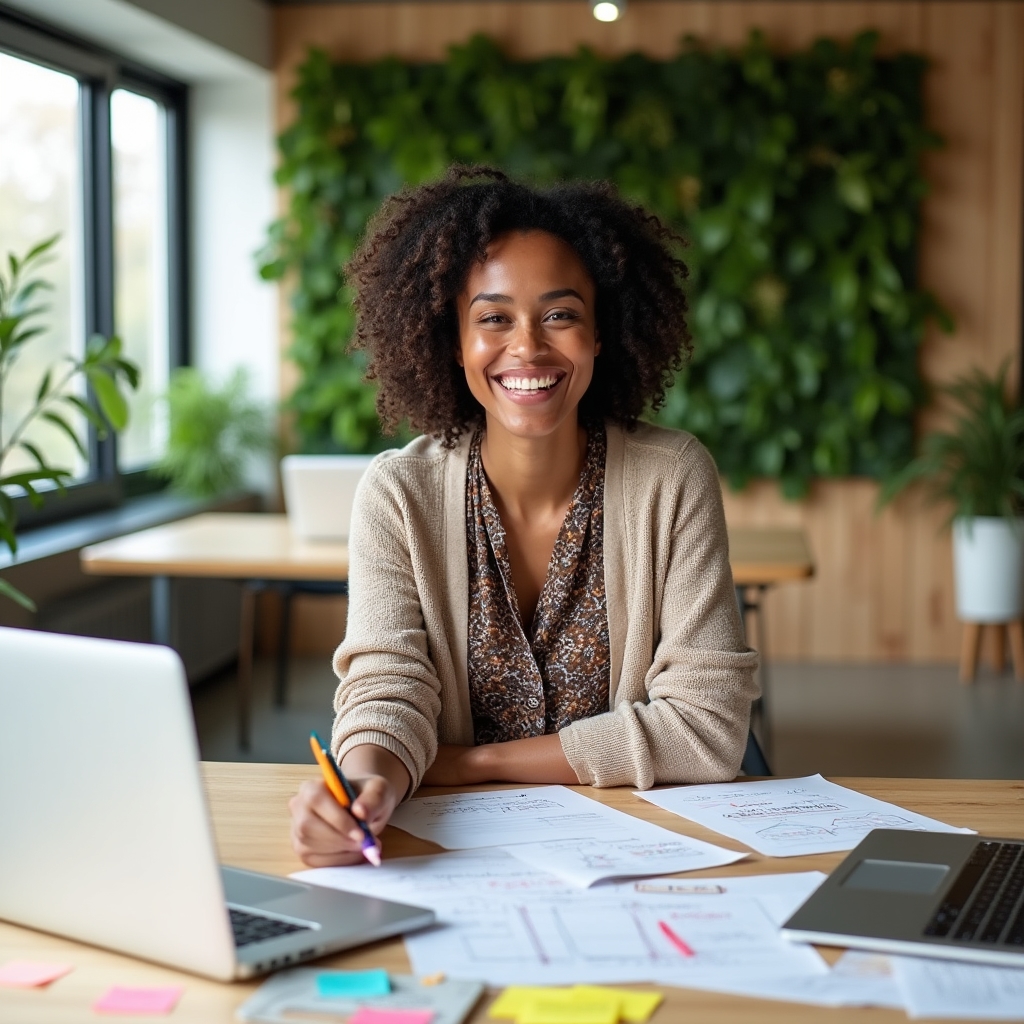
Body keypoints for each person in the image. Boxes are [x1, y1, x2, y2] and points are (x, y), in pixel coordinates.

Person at [290, 166, 758, 867]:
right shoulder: (397, 493)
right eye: (494, 318)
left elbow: (708, 730)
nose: (529, 347)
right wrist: (365, 785)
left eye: (561, 315)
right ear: (454, 340)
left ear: (601, 334)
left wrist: (471, 765)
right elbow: (387, 689)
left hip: (645, 852)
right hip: (453, 856)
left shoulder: (672, 477)